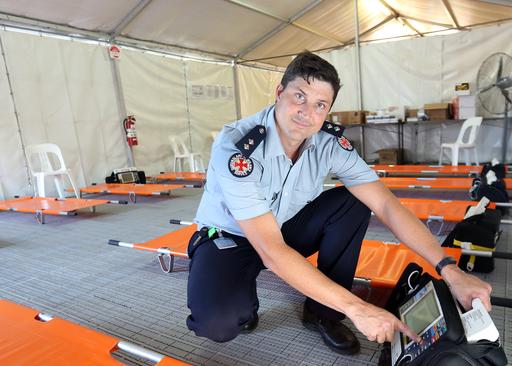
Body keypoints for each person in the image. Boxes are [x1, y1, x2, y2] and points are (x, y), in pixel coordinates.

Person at [186, 52, 492, 355]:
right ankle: (242, 296)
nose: (307, 112)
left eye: (320, 105)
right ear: (279, 93)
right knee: (219, 324)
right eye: (299, 97)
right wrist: (358, 308)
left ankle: (323, 313)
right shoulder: (238, 146)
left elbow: (385, 204)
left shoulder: (329, 143)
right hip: (229, 239)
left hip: (282, 230)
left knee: (353, 201)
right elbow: (271, 251)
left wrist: (450, 270)